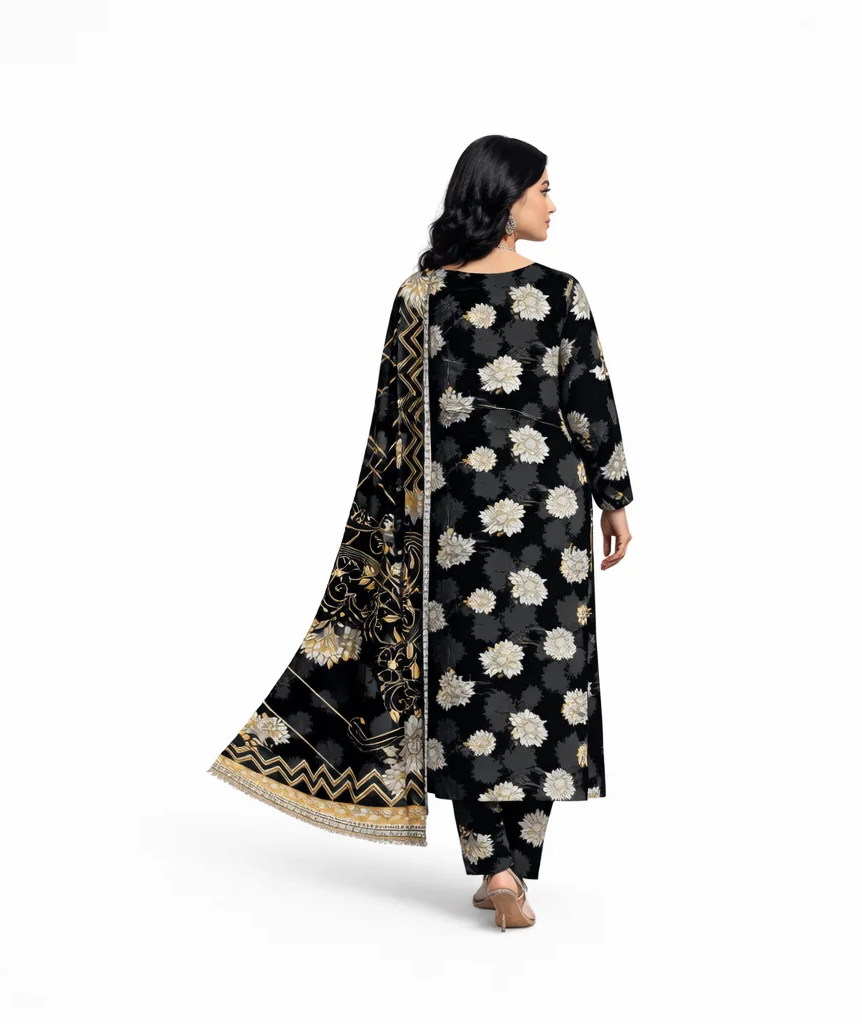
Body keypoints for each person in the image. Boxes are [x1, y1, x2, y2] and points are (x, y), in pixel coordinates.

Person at [207, 135, 634, 933]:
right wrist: (615, 498)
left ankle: (496, 867)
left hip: (453, 526)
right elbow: (590, 405)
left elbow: (392, 424)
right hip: (550, 526)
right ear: (504, 197)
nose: (553, 203)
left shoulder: (421, 295)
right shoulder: (560, 294)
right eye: (543, 188)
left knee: (468, 689)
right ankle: (511, 869)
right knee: (539, 688)